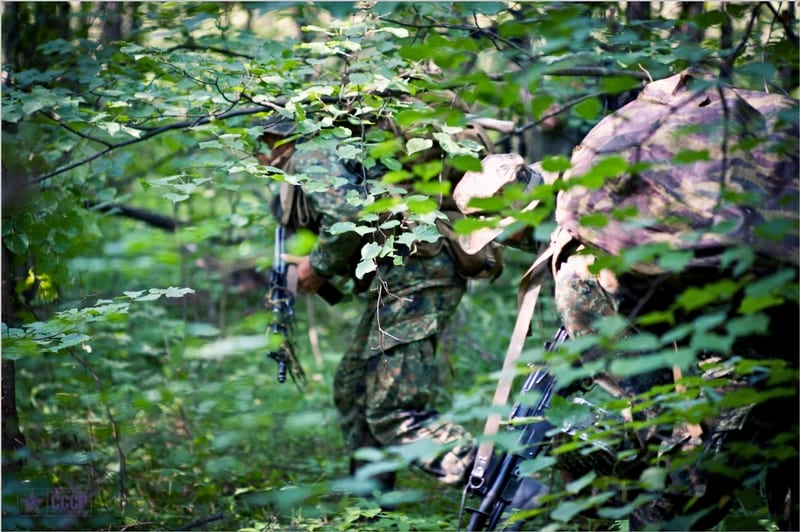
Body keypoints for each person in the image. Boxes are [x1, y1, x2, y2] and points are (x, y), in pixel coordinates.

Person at [454, 69, 798, 529]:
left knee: (667, 502)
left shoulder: (580, 260)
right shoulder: (612, 159)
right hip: (781, 308)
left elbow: (652, 401)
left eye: (505, 237)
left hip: (741, 358)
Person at [254, 112, 502, 499]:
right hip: (403, 272)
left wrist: (315, 267)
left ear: (273, 139)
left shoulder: (308, 154)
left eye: (258, 145)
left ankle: (509, 484)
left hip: (417, 269)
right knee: (353, 387)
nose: (257, 157)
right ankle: (371, 506)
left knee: (394, 412)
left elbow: (346, 213)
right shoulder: (324, 151)